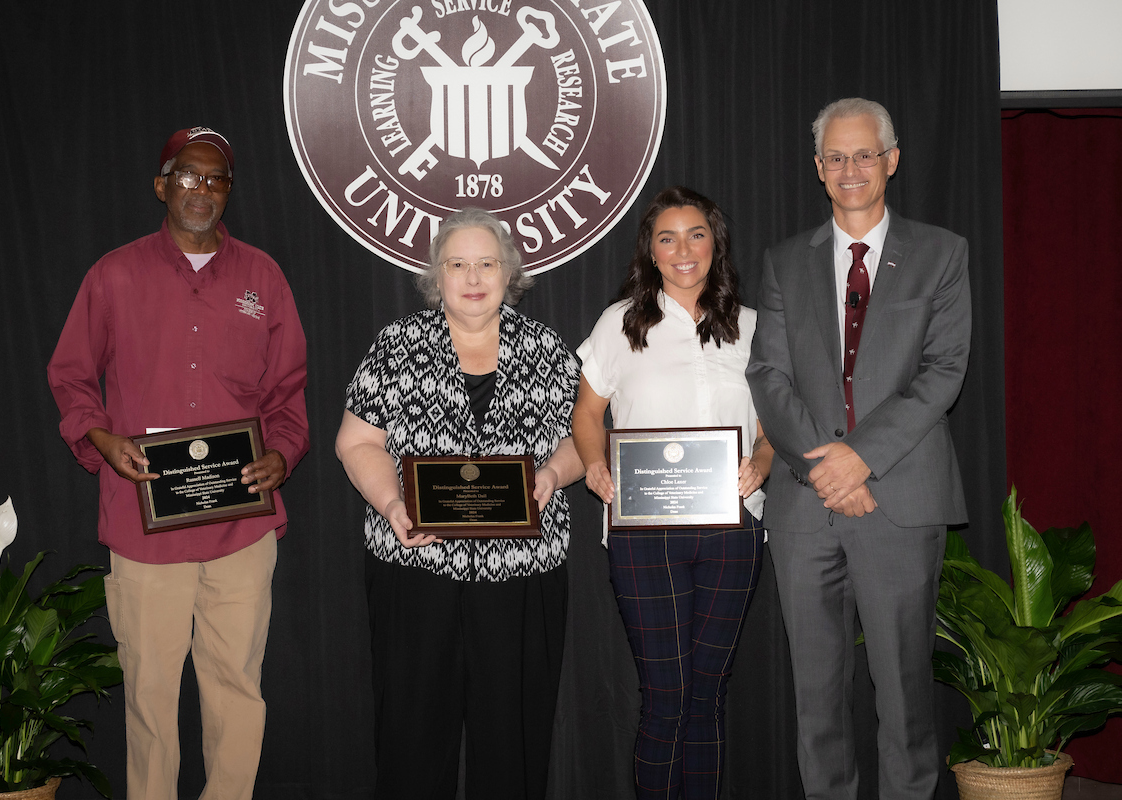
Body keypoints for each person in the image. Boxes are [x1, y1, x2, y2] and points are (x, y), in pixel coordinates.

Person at [47, 127, 309, 800]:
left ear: (229, 191)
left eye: (215, 178)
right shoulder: (113, 274)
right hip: (145, 525)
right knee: (150, 700)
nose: (201, 189)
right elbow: (72, 378)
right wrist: (102, 440)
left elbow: (287, 394)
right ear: (162, 186)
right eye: (187, 176)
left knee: (236, 695)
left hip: (240, 529)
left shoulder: (264, 279)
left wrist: (282, 453)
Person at [745, 97, 971, 800]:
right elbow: (768, 375)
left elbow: (944, 371)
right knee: (817, 700)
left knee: (905, 698)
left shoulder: (942, 253)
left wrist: (860, 458)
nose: (850, 170)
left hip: (899, 501)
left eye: (863, 155)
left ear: (891, 161)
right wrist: (827, 466)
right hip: (807, 509)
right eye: (835, 157)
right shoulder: (785, 262)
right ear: (818, 169)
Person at [334, 208, 583, 800]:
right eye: (458, 264)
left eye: (487, 263)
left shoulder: (548, 349)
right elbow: (357, 440)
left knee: (514, 739)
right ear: (436, 276)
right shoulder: (396, 346)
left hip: (522, 574)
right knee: (412, 737)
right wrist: (394, 505)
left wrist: (551, 474)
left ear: (509, 272)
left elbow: (584, 439)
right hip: (415, 570)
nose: (473, 277)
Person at [571, 186, 772, 800]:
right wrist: (595, 464)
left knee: (708, 692)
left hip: (734, 525)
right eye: (667, 238)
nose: (683, 250)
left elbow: (771, 425)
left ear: (716, 244)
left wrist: (763, 460)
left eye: (696, 235)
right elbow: (586, 416)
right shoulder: (620, 322)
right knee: (665, 695)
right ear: (651, 253)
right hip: (641, 532)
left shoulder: (755, 327)